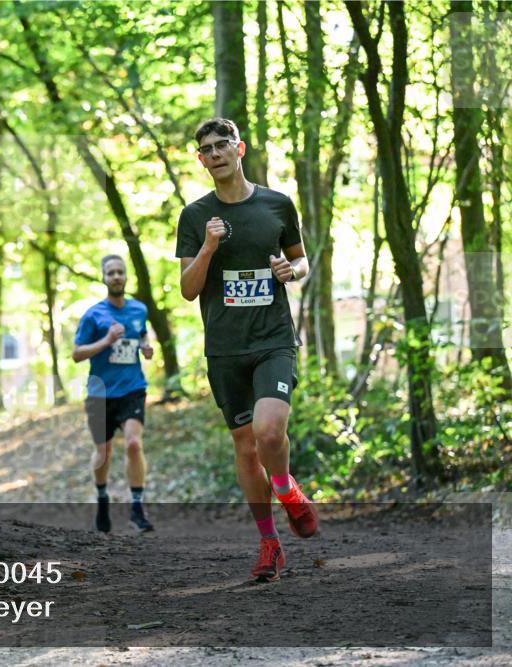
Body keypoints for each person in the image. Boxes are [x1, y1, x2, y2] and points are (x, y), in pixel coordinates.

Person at [176, 117, 319, 582]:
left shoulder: (276, 204)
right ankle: (269, 544)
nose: (215, 154)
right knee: (244, 446)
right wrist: (209, 248)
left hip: (273, 338)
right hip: (225, 347)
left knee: (269, 434)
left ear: (239, 149)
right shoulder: (195, 217)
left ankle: (287, 489)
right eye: (207, 150)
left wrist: (292, 273)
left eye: (223, 145)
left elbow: (302, 259)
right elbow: (188, 289)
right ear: (201, 161)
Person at [72, 255, 155, 533]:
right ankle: (103, 497)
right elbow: (76, 354)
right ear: (104, 278)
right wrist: (106, 340)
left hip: (133, 388)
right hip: (100, 393)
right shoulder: (93, 315)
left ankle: (137, 507)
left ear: (126, 276)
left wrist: (145, 346)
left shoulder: (138, 309)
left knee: (133, 444)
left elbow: (141, 335)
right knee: (103, 453)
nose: (116, 277)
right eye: (111, 273)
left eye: (120, 272)